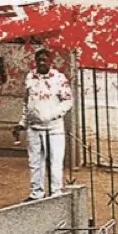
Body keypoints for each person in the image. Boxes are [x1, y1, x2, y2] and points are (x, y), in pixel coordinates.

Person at [23, 48, 73, 199]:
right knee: (35, 162)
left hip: (53, 128)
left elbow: (68, 101)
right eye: (39, 60)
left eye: (45, 60)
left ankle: (55, 193)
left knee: (55, 162)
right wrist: (23, 121)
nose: (41, 62)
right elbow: (26, 101)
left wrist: (53, 114)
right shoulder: (30, 76)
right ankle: (36, 193)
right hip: (34, 127)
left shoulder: (59, 78)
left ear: (51, 62)